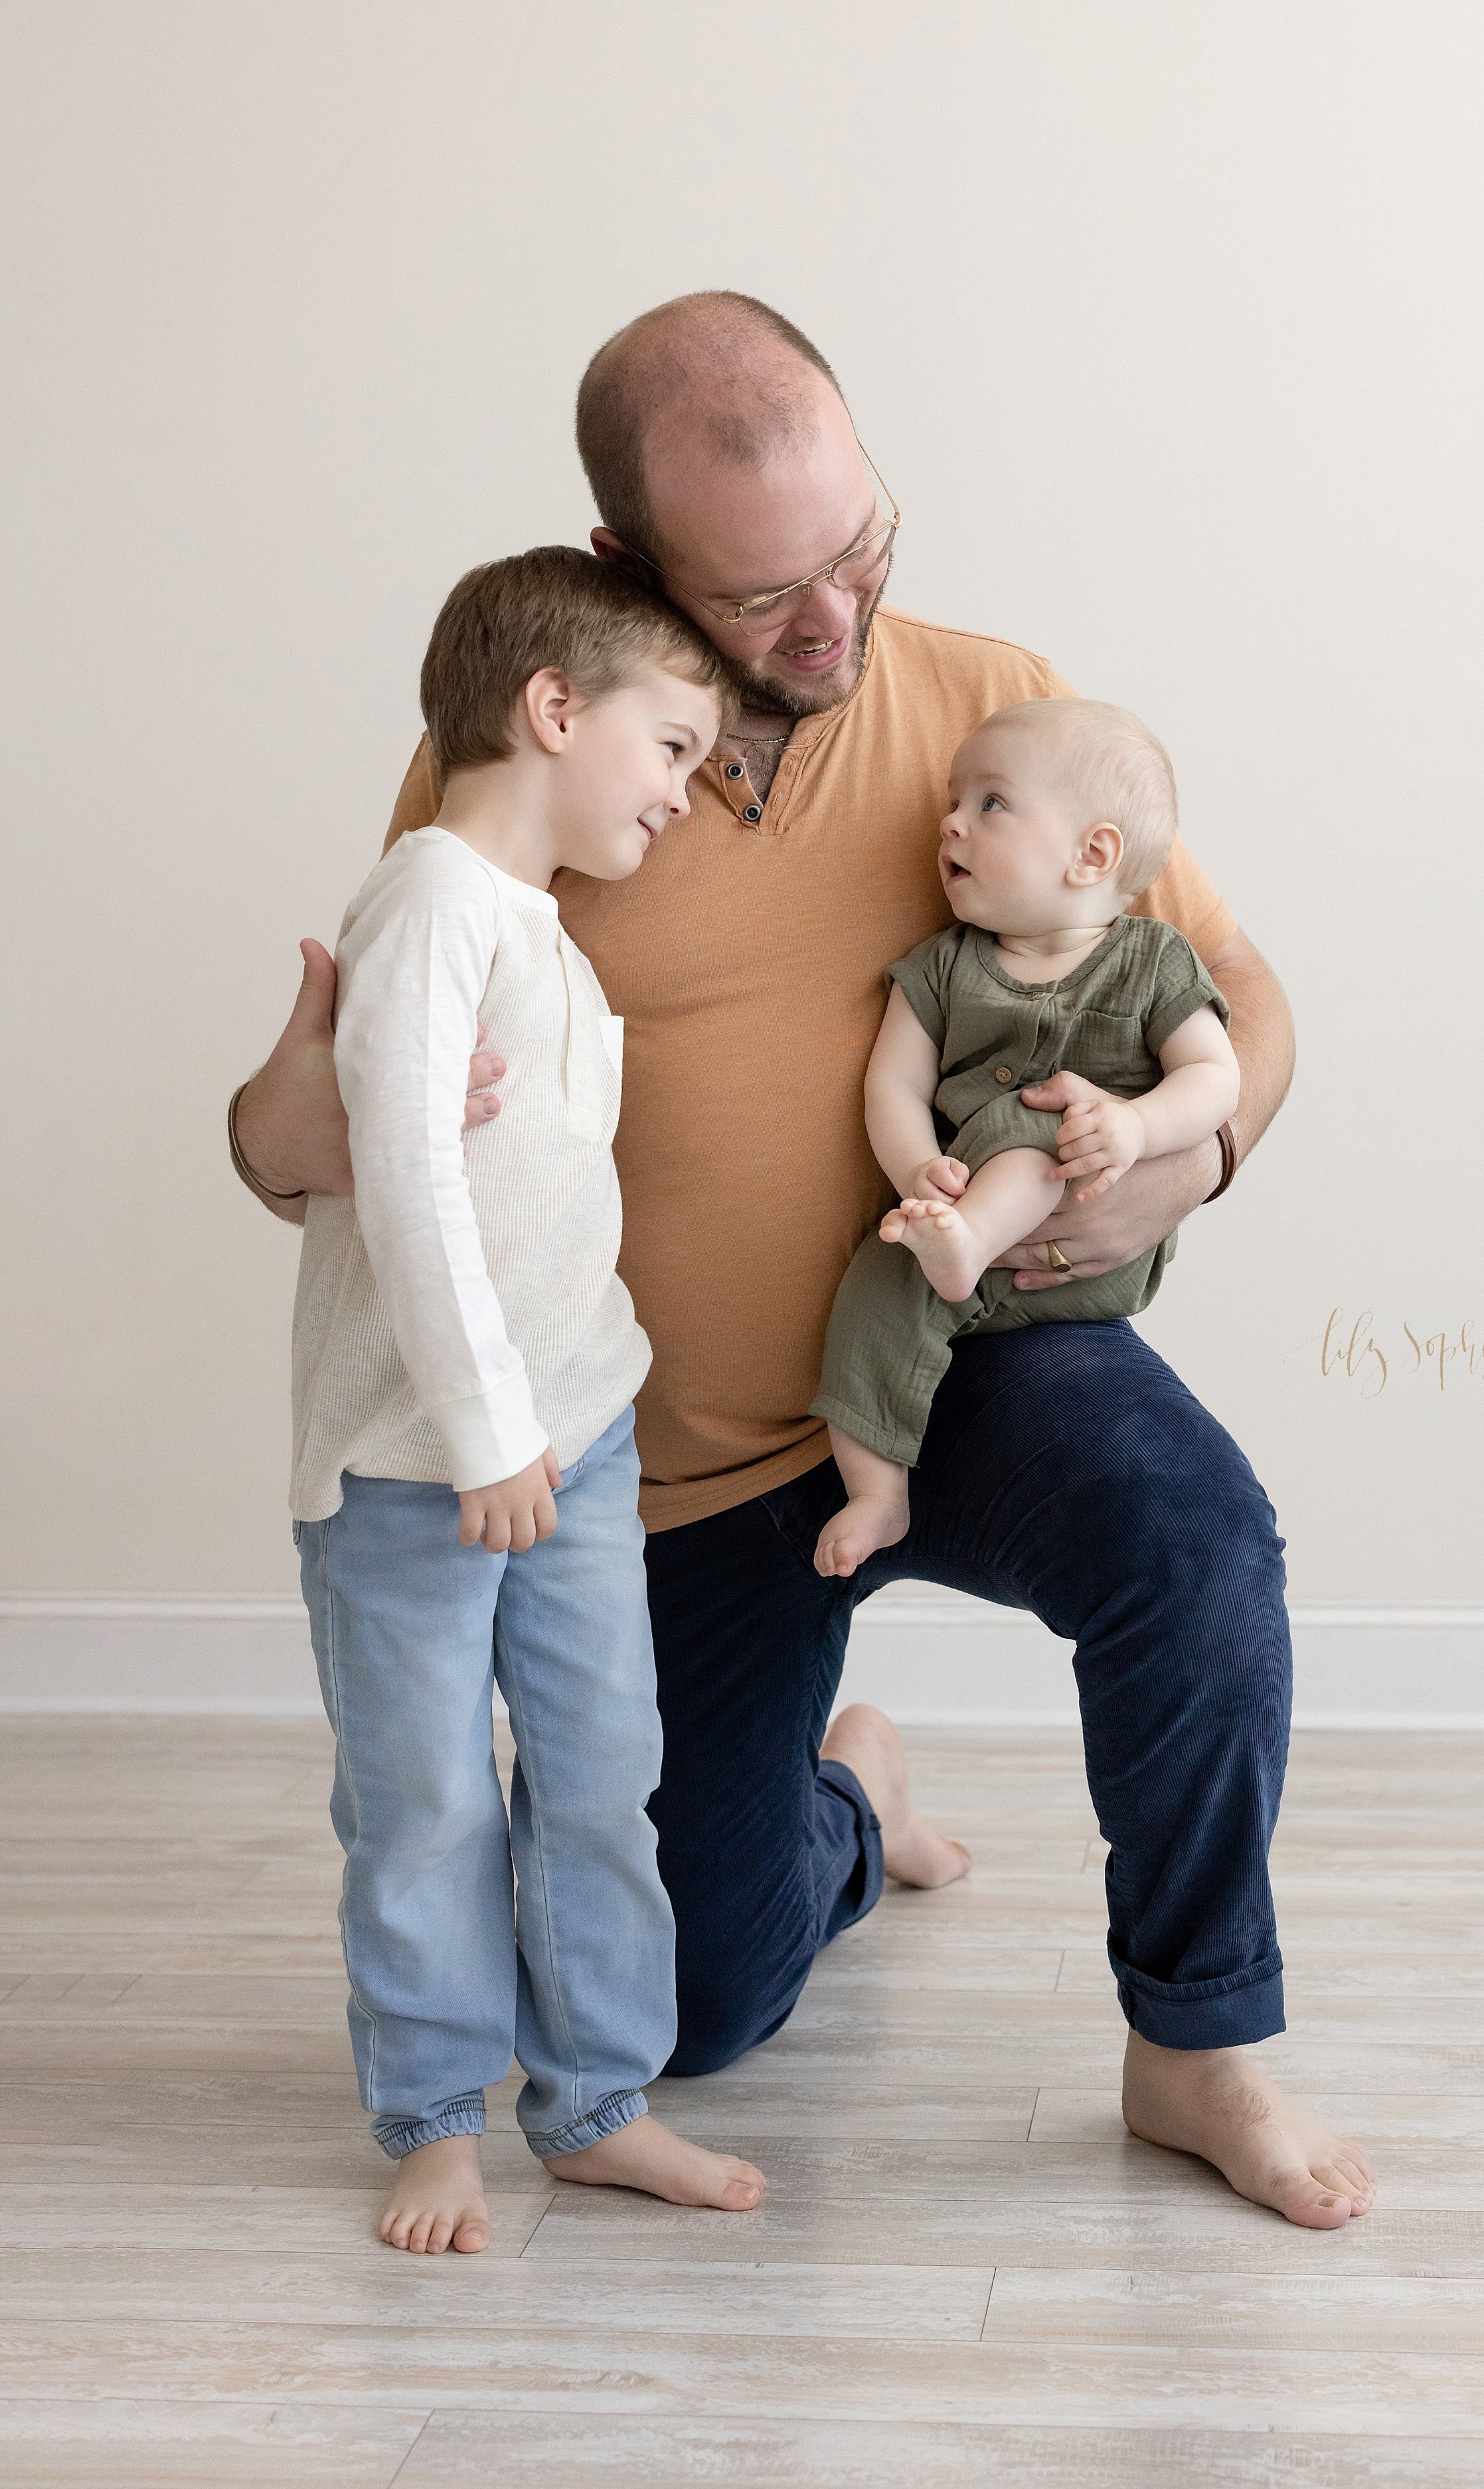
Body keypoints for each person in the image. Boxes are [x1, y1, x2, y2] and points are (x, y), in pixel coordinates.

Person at [234, 292, 1377, 2231]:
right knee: (682, 2007)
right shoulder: (530, 771)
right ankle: (851, 1798)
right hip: (668, 1461)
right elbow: (321, 1132)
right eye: (764, 600)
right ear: (623, 569)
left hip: (967, 1345)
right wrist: (286, 1122)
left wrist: (1190, 1163)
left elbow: (1237, 994)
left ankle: (1195, 2039)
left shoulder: (993, 705)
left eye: (861, 550)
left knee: (1193, 1537)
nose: (832, 625)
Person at [285, 545, 765, 2255]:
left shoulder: (539, 931)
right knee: (425, 1793)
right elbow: (403, 1176)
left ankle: (596, 2096)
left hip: (576, 1433)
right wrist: (489, 1427)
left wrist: (556, 1416)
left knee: (599, 1762)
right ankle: (433, 2113)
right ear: (552, 709)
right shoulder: (424, 902)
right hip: (425, 1459)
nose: (686, 788)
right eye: (669, 745)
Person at [811, 697, 1239, 1578]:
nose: (952, 821)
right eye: (954, 801)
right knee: (873, 1287)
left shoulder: (1152, 961)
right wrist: (916, 1171)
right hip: (957, 1233)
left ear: (1094, 854)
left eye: (990, 804)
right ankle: (878, 1493)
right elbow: (892, 1085)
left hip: (1090, 1246)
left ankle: (964, 1246)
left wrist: (1132, 1124)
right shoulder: (942, 967)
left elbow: (1216, 1077)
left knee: (1048, 1112)